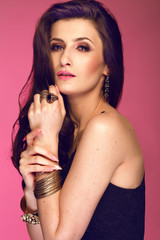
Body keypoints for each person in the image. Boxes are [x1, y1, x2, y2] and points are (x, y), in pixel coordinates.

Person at [12, 0, 145, 239]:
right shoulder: (65, 130)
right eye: (56, 46)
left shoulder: (106, 128)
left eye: (82, 47)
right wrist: (32, 195)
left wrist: (46, 144)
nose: (65, 58)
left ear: (108, 65)